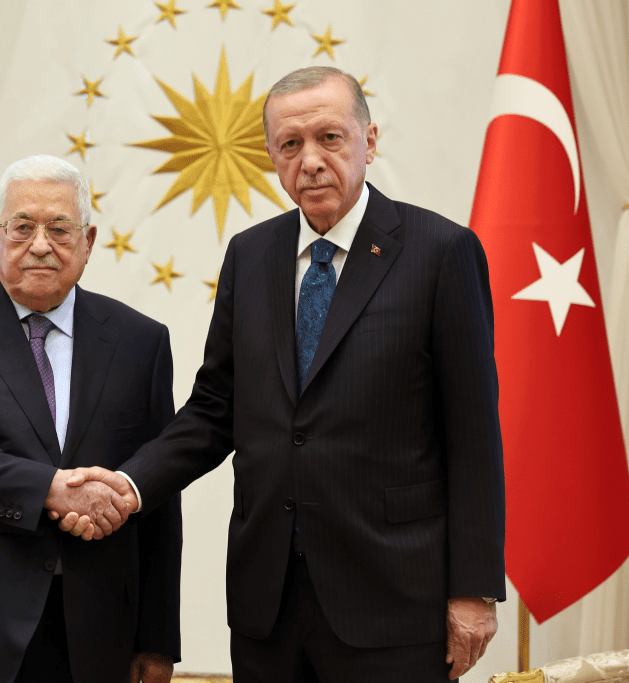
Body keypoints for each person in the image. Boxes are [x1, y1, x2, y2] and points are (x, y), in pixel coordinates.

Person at [60, 67, 505, 682]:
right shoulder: (250, 255)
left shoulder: (441, 251)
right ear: (271, 156)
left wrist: (474, 589)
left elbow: (474, 433)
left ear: (369, 141)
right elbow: (215, 409)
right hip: (267, 604)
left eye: (330, 138)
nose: (311, 161)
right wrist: (128, 486)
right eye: (290, 144)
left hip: (393, 600)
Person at [0, 155, 181, 683]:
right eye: (22, 227)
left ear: (88, 242)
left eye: (60, 229)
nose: (40, 245)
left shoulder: (141, 341)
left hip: (94, 631)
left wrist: (157, 640)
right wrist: (49, 489)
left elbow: (157, 495)